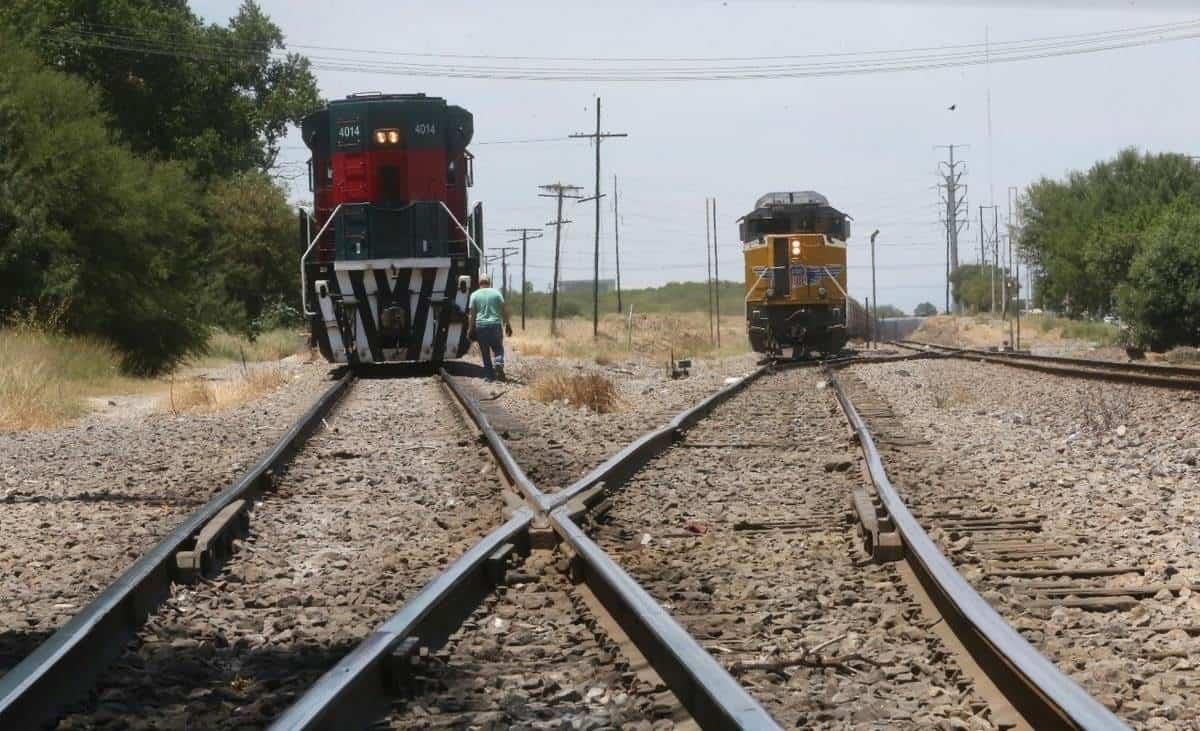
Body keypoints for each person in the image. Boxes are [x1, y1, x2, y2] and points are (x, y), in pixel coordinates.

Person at [467, 274, 513, 381]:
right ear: (489, 283)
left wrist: (470, 329)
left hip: (481, 326)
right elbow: (504, 310)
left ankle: (489, 376)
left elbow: (471, 314)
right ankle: (498, 362)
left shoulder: (474, 295)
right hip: (495, 325)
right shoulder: (497, 293)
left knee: (485, 351)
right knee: (498, 347)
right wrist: (508, 324)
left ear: (479, 283)